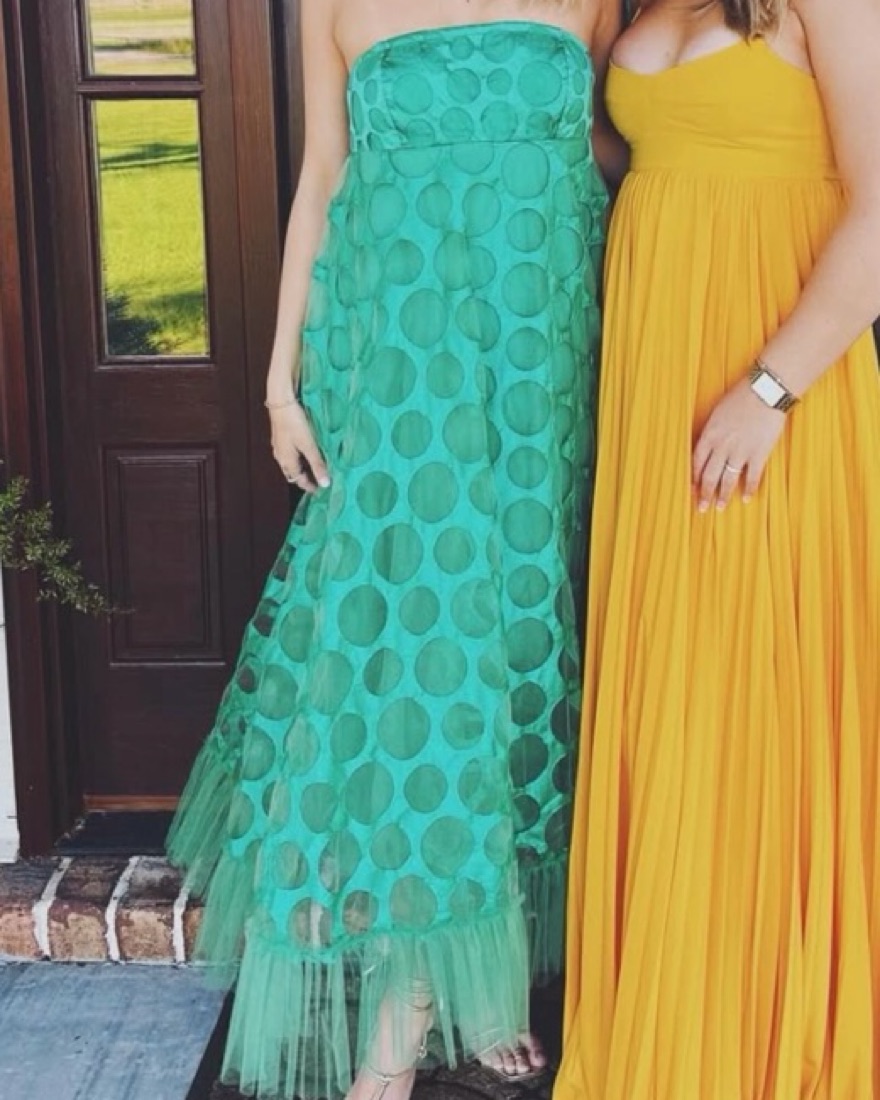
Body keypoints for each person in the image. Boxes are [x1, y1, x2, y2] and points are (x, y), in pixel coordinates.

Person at [167, 2, 620, 1098]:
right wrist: (280, 380)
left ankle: (487, 970)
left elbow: (612, 151)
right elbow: (324, 173)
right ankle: (402, 1023)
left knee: (523, 640)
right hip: (402, 366)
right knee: (428, 644)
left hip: (544, 358)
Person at [557, 0, 880, 1096]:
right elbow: (625, 151)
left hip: (775, 384)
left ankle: (754, 1036)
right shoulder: (639, 4)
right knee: (672, 685)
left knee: (755, 691)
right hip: (655, 381)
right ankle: (670, 1005)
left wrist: (770, 389)